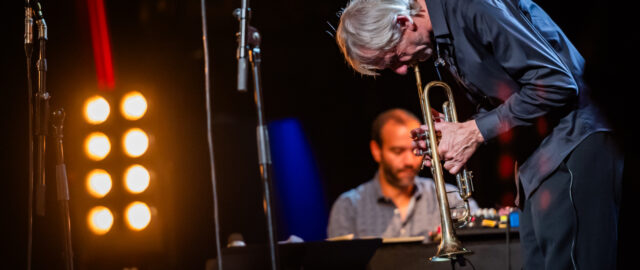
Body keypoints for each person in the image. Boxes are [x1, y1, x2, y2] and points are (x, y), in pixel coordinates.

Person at [335, 0, 623, 269]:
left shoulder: (472, 6)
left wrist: (473, 131)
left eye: (395, 57)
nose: (400, 70)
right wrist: (455, 131)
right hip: (540, 161)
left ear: (402, 22)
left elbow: (557, 83)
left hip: (572, 146)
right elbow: (515, 99)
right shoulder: (445, 36)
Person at [327, 108, 478, 241]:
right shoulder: (348, 207)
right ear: (376, 151)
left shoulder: (450, 197)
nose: (409, 161)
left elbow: (482, 239)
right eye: (398, 151)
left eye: (415, 150)